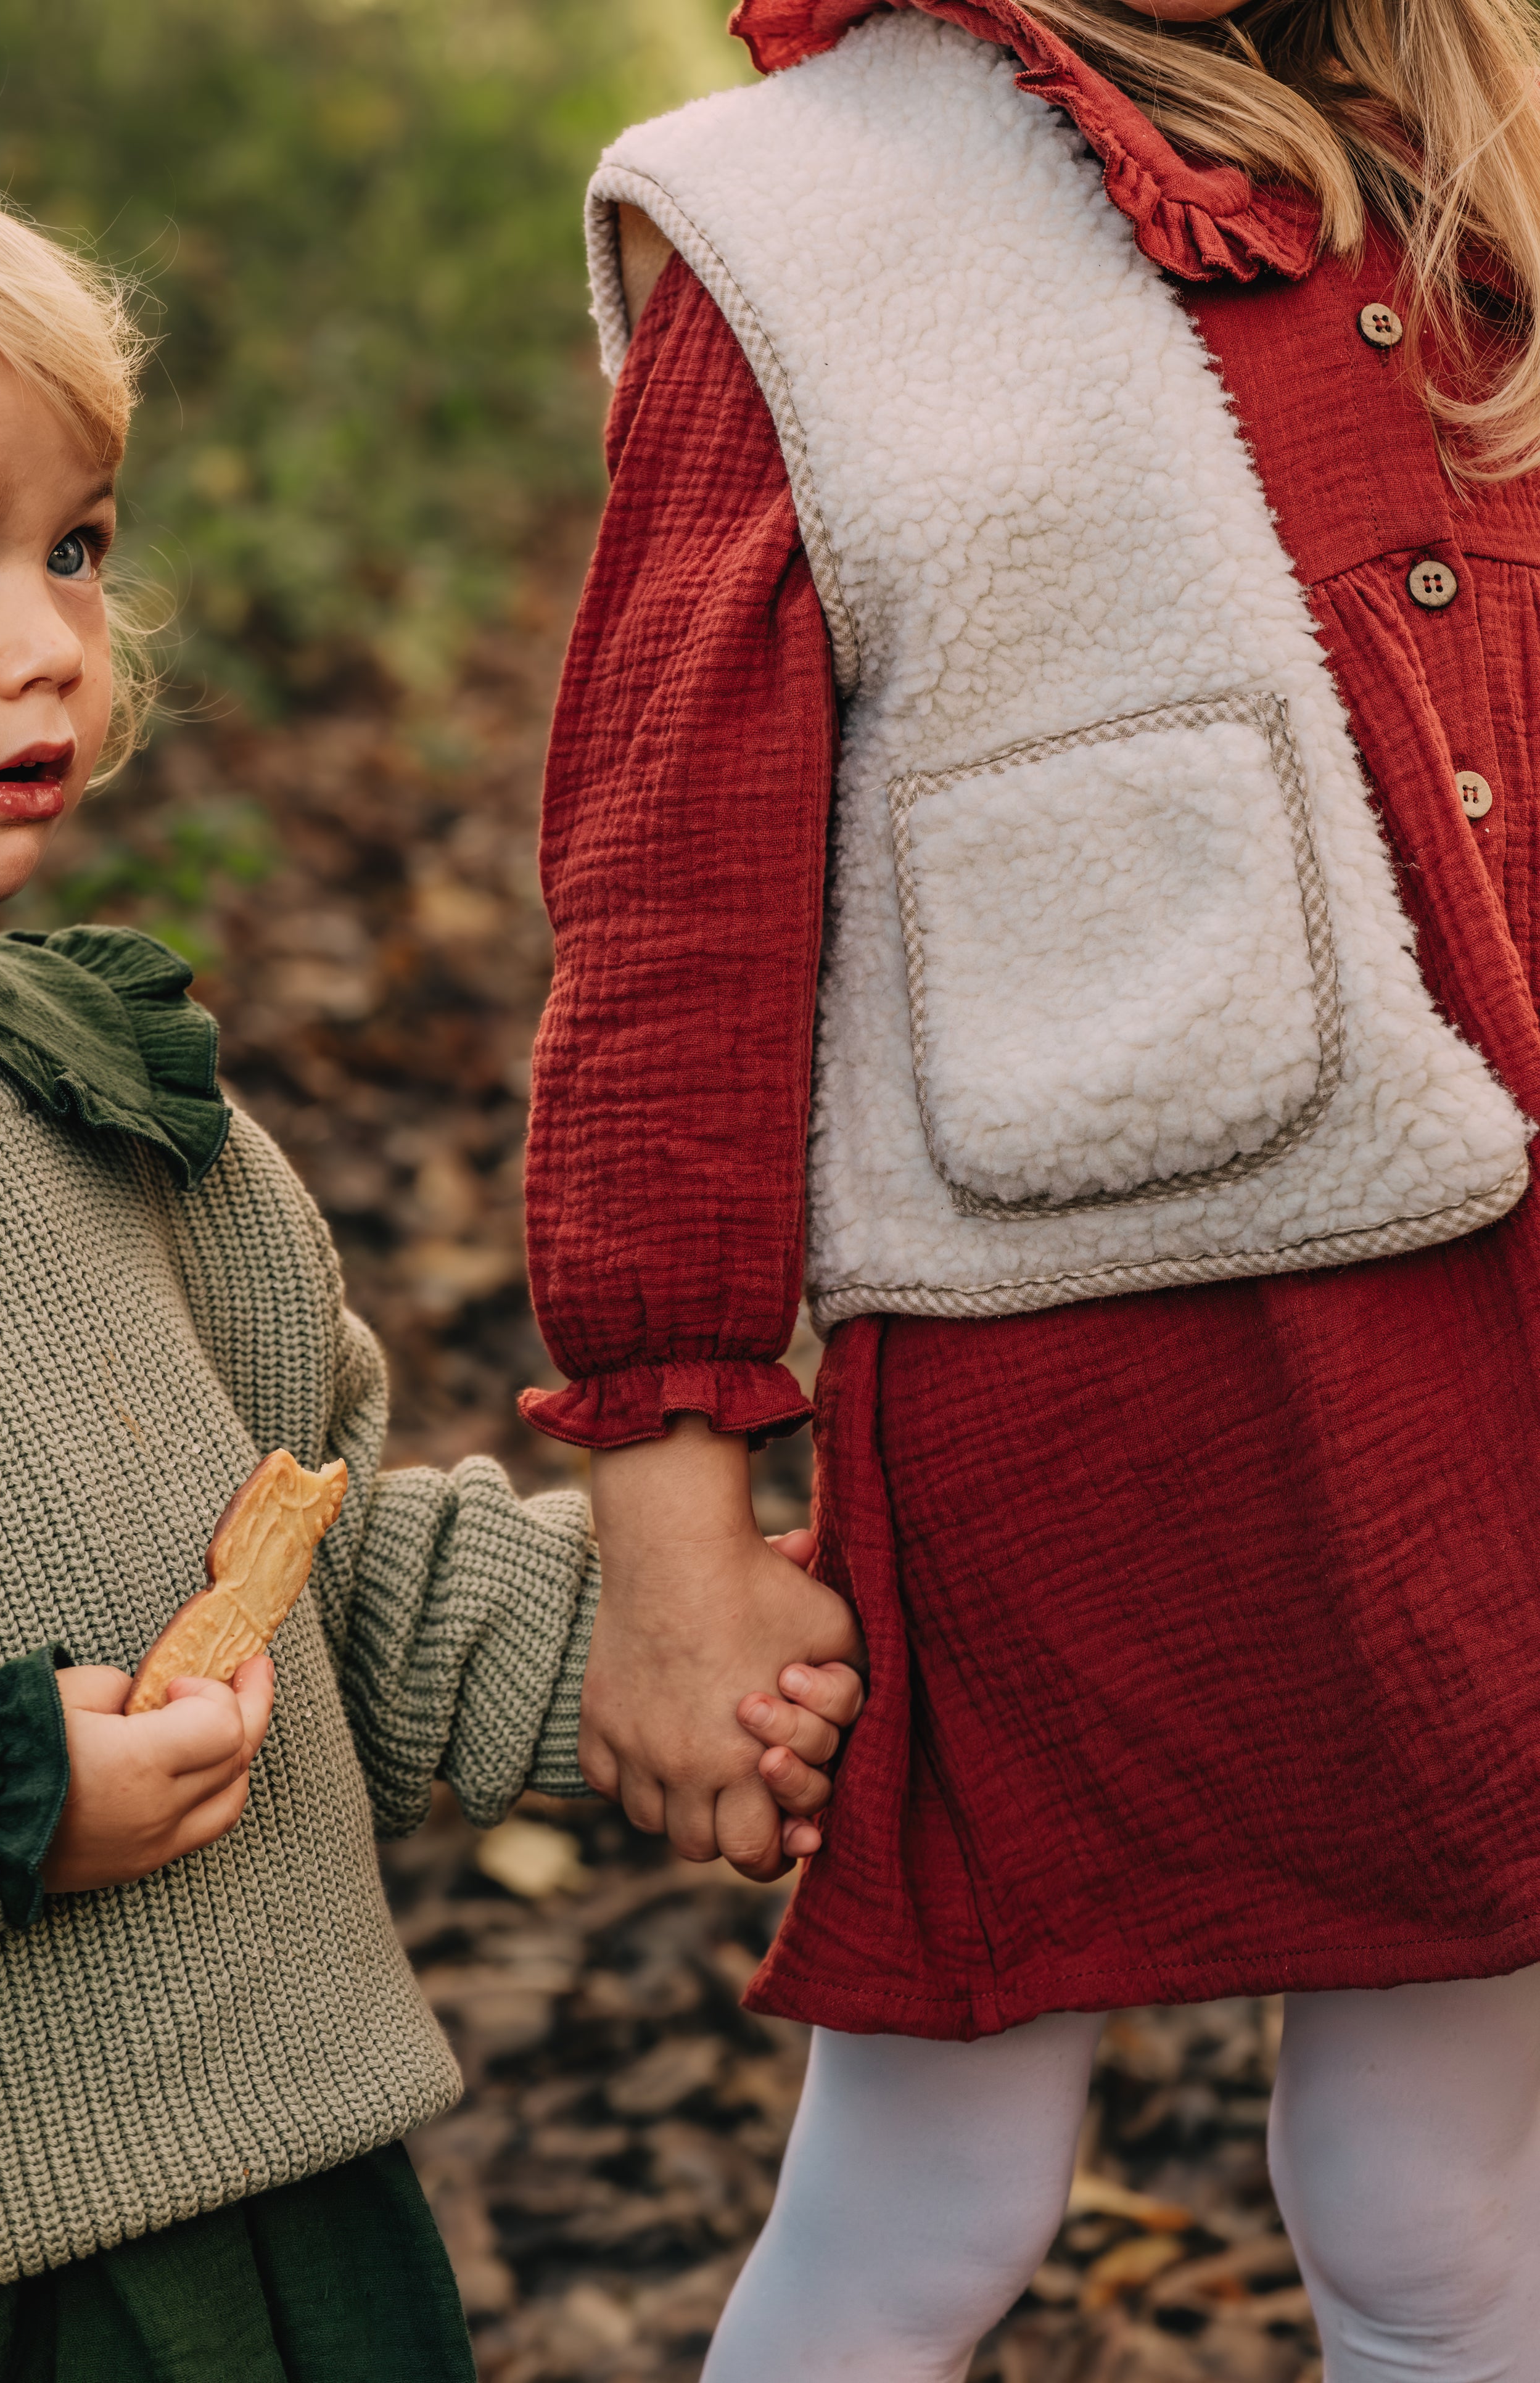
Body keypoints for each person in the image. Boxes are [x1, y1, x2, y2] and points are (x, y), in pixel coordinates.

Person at [522, 0, 1540, 2374]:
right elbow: (676, 913)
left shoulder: (1471, 185)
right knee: (932, 2201)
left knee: (1448, 2195)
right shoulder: (802, 227)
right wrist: (676, 1532)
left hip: (1480, 1361)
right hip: (1073, 1369)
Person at [0, 173, 859, 2381]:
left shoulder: (105, 1106)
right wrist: (1, 1796)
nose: (50, 637)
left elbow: (328, 1571)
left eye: (71, 544)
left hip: (296, 2220)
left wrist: (670, 1650)